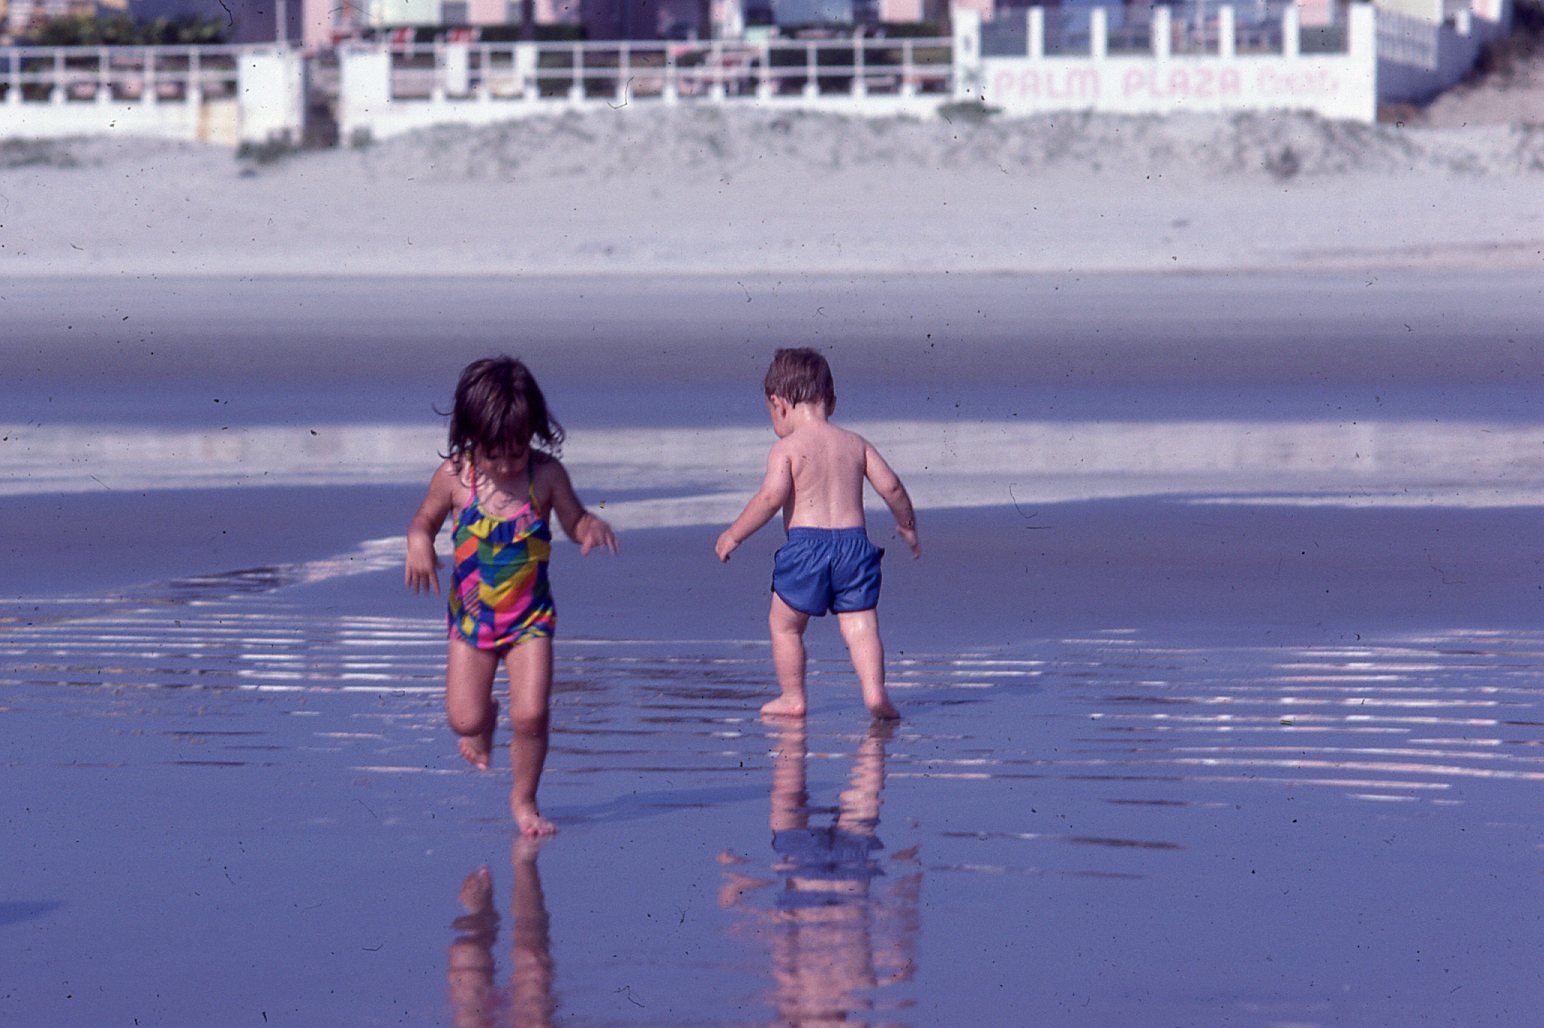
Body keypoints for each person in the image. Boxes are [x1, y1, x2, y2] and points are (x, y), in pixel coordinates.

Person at [406, 356, 617, 836]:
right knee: (463, 719)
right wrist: (418, 543)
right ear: (468, 437)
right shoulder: (456, 479)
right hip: (472, 621)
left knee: (534, 713)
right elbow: (424, 521)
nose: (504, 464)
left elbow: (574, 519)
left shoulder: (545, 477)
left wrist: (590, 526)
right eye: (492, 454)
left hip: (530, 621)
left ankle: (524, 801)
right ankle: (483, 726)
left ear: (533, 437)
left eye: (516, 452)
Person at [715, 348, 919, 720]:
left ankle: (793, 697)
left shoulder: (786, 449)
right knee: (860, 625)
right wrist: (907, 526)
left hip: (806, 548)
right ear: (832, 401)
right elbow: (891, 487)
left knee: (786, 626)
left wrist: (734, 534)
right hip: (855, 548)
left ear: (778, 404)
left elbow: (769, 498)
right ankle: (875, 693)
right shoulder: (856, 444)